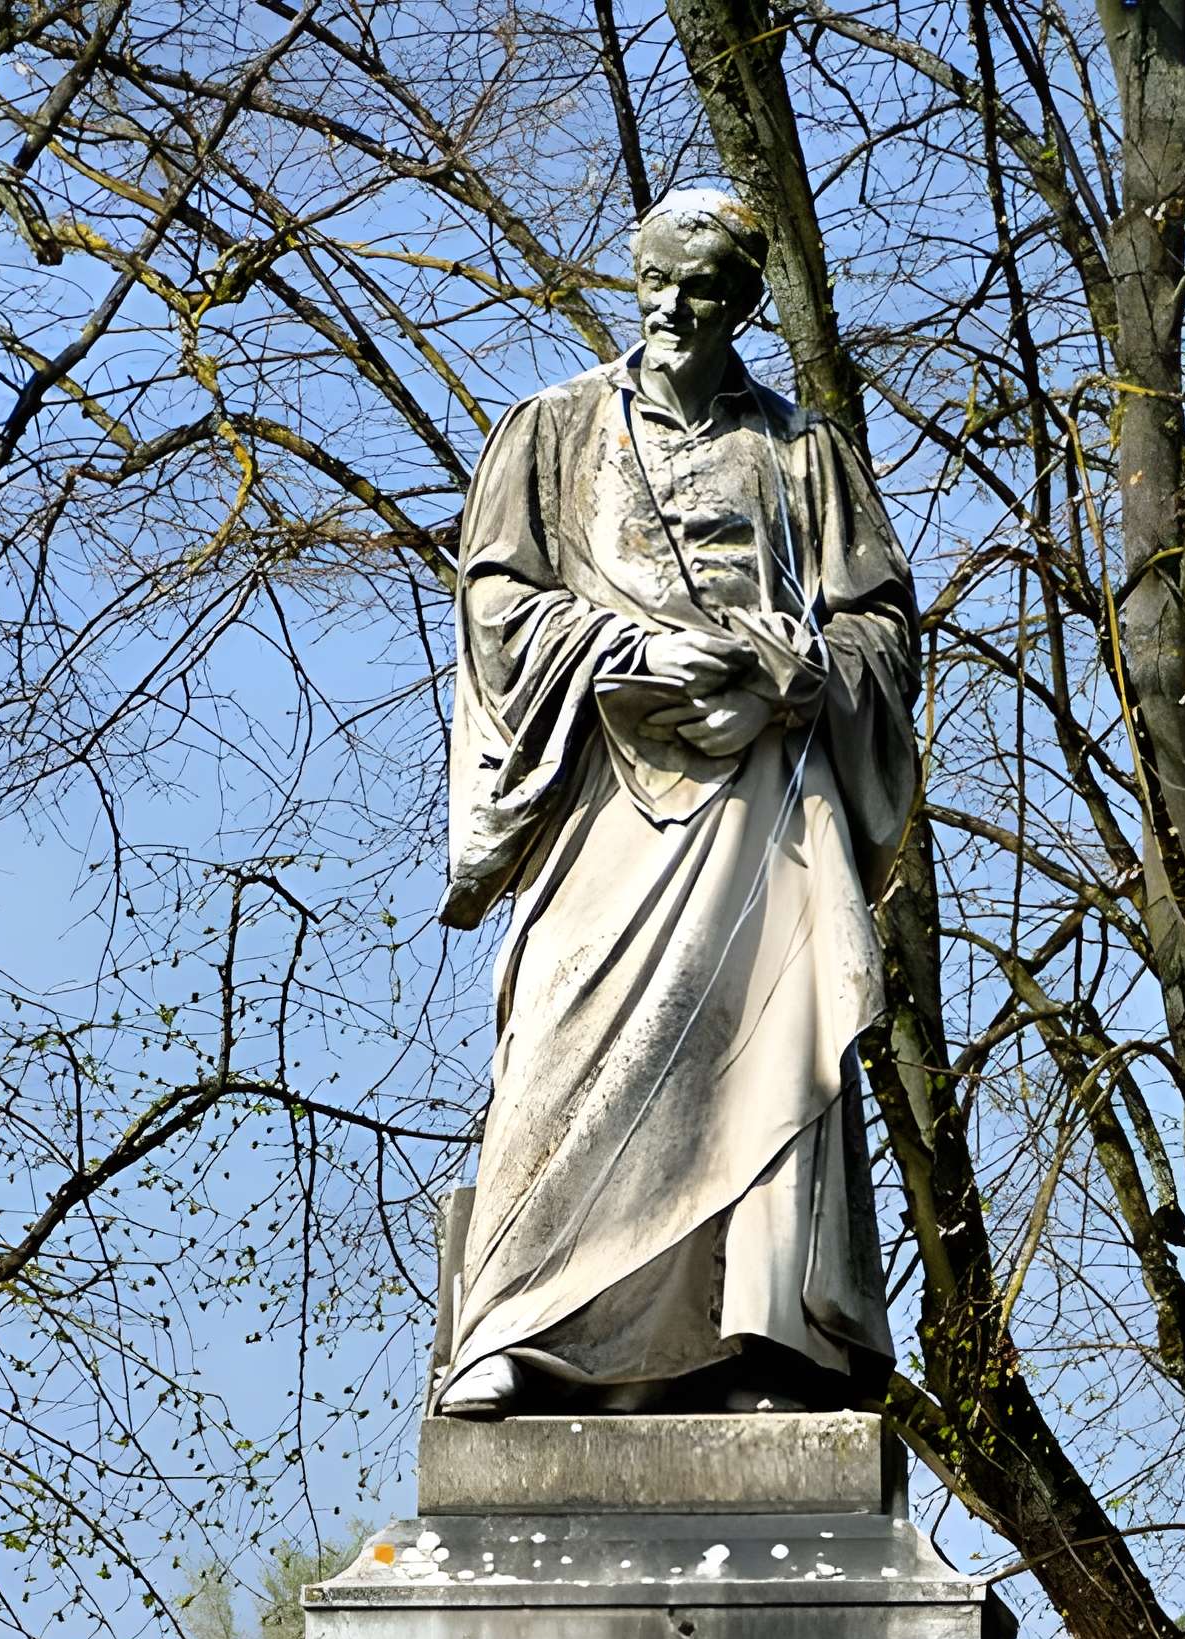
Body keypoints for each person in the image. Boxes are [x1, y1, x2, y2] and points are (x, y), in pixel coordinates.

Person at [434, 184, 919, 1419]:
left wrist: (789, 678)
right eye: (652, 277)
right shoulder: (549, 432)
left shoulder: (803, 452)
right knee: (561, 1036)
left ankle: (763, 1342)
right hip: (603, 788)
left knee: (760, 1054)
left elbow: (878, 626)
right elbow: (495, 604)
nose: (670, 304)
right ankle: (521, 1322)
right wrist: (621, 653)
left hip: (761, 800)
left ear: (745, 300)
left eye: (701, 286)